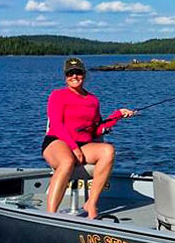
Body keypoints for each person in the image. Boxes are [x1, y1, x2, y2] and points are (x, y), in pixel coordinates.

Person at [42, 57, 135, 218]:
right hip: (57, 141)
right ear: (65, 76)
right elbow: (56, 125)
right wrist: (73, 148)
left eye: (78, 72)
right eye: (70, 73)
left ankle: (91, 203)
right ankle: (50, 216)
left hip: (83, 144)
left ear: (84, 75)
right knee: (67, 161)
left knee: (108, 150)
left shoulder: (93, 100)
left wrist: (118, 115)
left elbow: (96, 130)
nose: (74, 76)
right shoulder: (57, 95)